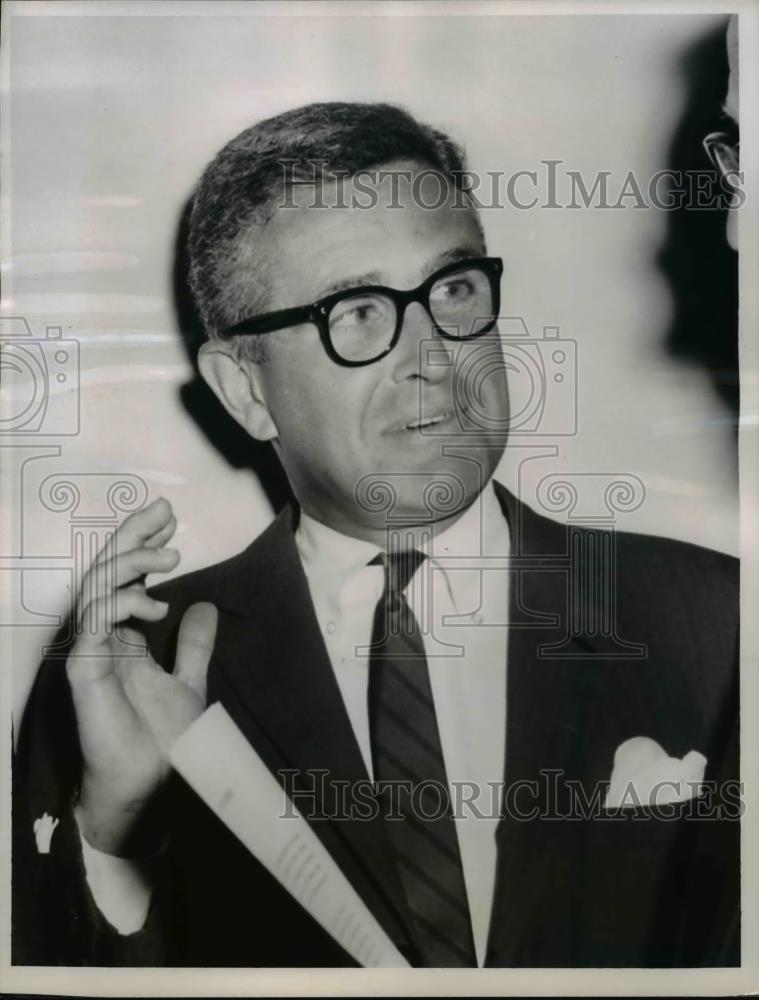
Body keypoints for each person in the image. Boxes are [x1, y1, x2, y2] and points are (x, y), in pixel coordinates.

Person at [13, 101, 739, 969]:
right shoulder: (129, 667)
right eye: (355, 310)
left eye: (454, 288)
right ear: (244, 390)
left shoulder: (717, 621)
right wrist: (117, 831)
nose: (432, 352)